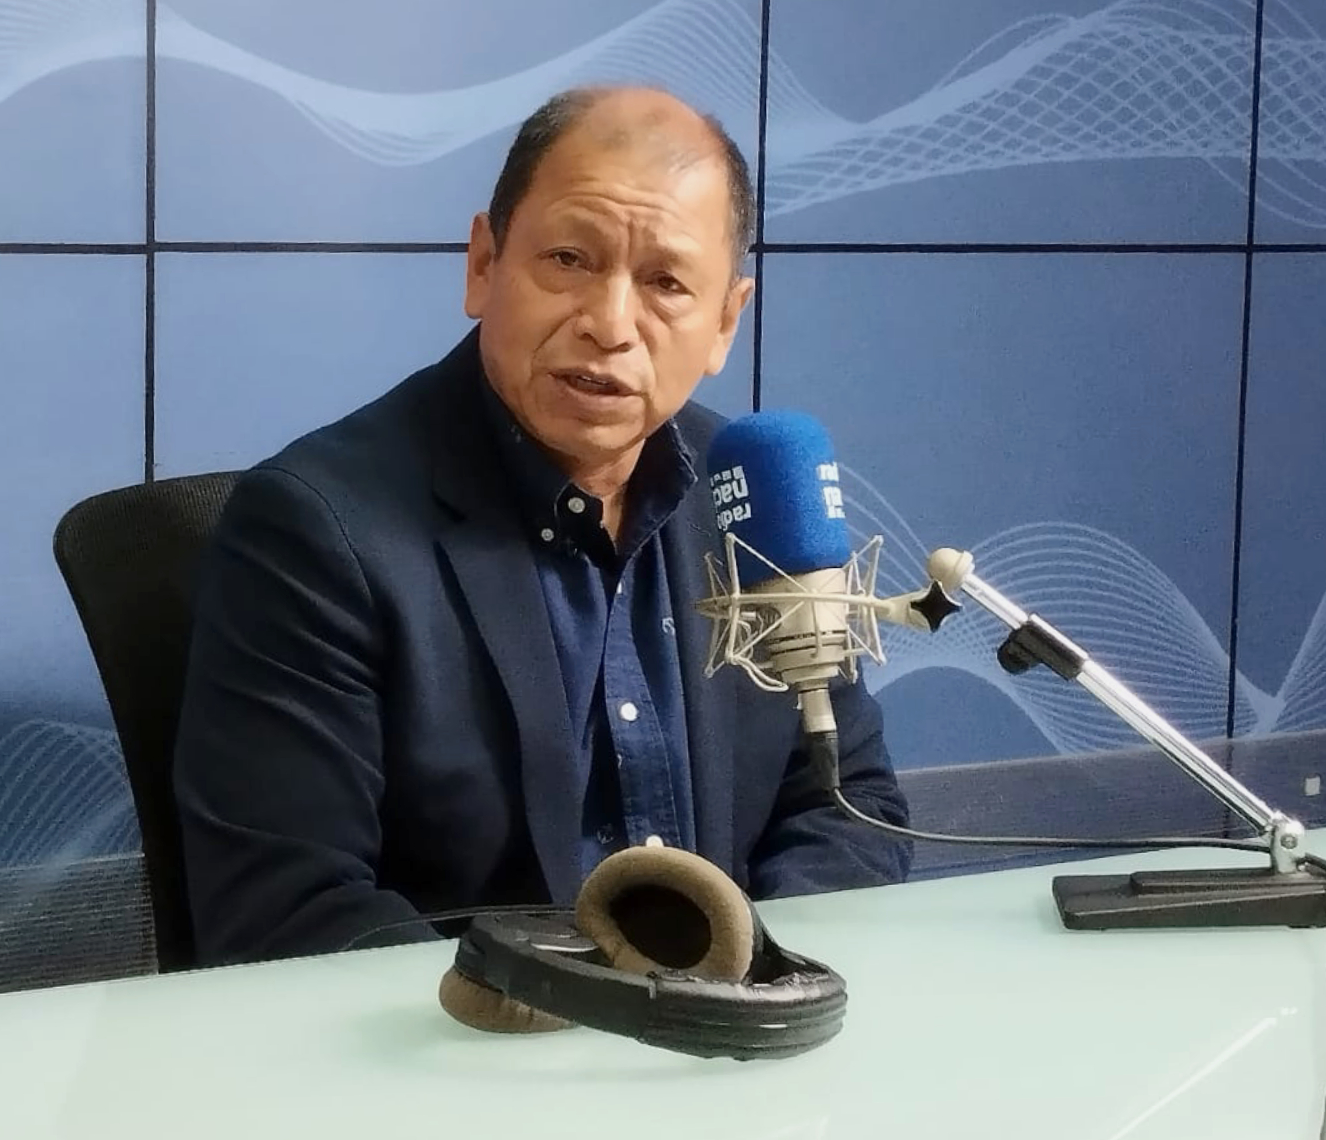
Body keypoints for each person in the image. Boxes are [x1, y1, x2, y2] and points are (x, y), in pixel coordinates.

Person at [171, 84, 911, 967]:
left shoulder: (750, 499)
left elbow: (847, 807)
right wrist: (567, 1021)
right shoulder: (317, 531)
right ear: (483, 264)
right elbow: (290, 911)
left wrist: (759, 983)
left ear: (724, 321)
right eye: (568, 259)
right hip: (468, 1040)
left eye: (666, 283)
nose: (609, 325)